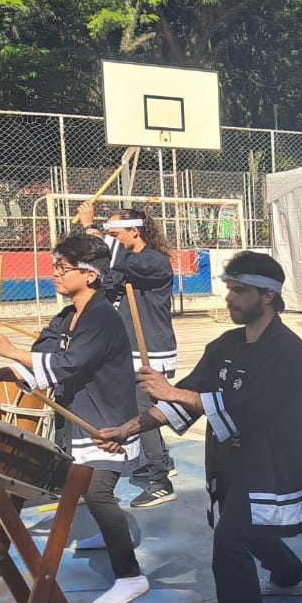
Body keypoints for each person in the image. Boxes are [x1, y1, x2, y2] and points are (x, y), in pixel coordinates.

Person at [95, 252, 302, 603]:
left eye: (239, 290)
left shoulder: (287, 349)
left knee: (230, 545)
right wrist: (129, 428)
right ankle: (291, 575)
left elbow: (248, 406)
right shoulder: (224, 344)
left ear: (268, 295)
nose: (229, 297)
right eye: (230, 288)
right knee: (251, 529)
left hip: (273, 462)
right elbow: (187, 400)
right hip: (234, 461)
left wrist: (172, 390)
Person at [0, 233, 148, 603]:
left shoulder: (103, 317)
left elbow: (68, 365)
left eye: (62, 268)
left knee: (98, 492)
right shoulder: (68, 316)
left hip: (108, 419)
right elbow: (41, 356)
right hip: (81, 415)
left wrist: (9, 349)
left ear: (88, 275)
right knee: (85, 488)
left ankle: (131, 576)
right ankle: (110, 536)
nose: (55, 273)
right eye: (56, 265)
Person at [95, 202, 179, 509]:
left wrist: (95, 230)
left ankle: (161, 481)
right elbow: (106, 276)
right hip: (127, 348)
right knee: (139, 410)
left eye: (115, 233)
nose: (112, 239)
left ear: (134, 230)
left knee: (142, 413)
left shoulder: (155, 261)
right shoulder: (126, 263)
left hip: (151, 350)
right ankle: (163, 461)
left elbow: (122, 261)